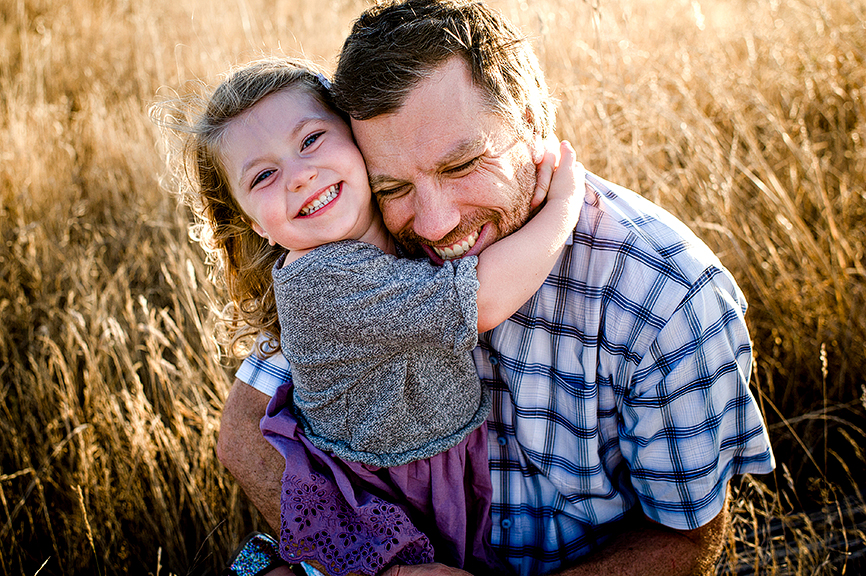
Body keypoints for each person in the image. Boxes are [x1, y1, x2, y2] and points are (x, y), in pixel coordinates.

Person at [217, 1, 776, 575]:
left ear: (534, 121)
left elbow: (684, 535)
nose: (433, 225)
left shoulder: (670, 298)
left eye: (461, 167)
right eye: (395, 186)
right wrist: (374, 566)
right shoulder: (353, 240)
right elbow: (244, 430)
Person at [180, 57, 583, 574]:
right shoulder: (326, 281)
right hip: (381, 497)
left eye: (310, 140)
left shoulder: (387, 237)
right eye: (264, 175)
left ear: (357, 139)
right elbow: (479, 299)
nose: (301, 177)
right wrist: (563, 206)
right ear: (255, 225)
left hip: (428, 469)